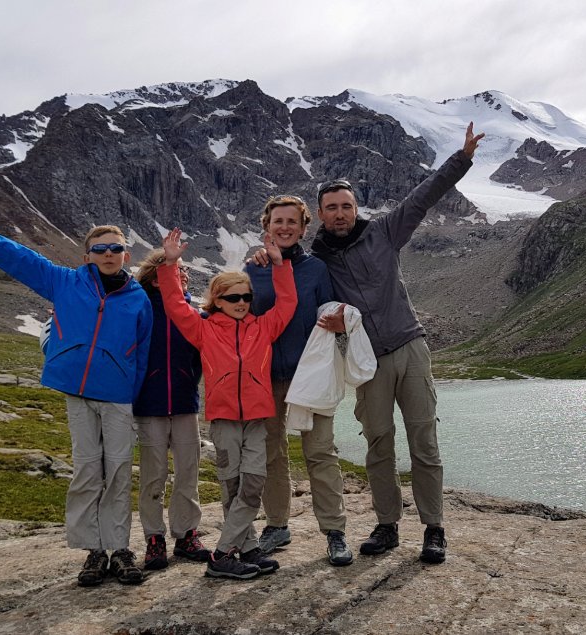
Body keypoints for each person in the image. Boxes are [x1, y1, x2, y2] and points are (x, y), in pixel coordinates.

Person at [0, 198, 152, 586]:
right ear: (88, 256)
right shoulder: (64, 281)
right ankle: (94, 551)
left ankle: (121, 550)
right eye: (100, 249)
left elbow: (143, 350)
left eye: (116, 248)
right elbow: (16, 257)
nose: (109, 254)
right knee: (87, 468)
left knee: (116, 470)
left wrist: (134, 394)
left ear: (127, 254)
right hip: (78, 391)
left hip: (117, 396)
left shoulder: (138, 299)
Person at [311, 123, 483, 564]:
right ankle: (387, 524)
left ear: (356, 208)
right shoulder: (316, 261)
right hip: (367, 362)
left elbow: (425, 195)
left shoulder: (384, 231)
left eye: (346, 206)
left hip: (409, 347)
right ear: (320, 214)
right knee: (379, 443)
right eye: (331, 208)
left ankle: (434, 528)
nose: (340, 214)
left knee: (424, 441)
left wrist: (461, 158)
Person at [157, 228, 296, 579]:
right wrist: (170, 264)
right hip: (224, 421)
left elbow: (288, 304)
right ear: (217, 299)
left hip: (257, 420)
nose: (241, 302)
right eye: (233, 297)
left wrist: (280, 265)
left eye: (246, 297)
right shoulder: (203, 329)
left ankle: (224, 554)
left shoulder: (263, 328)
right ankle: (243, 548)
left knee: (252, 484)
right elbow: (174, 304)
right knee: (233, 487)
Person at [244, 195, 353, 566]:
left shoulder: (316, 269)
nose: (285, 227)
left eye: (293, 222)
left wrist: (340, 325)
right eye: (278, 221)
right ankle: (278, 525)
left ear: (304, 228)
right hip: (267, 376)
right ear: (267, 226)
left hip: (311, 375)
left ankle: (334, 531)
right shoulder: (253, 270)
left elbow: (328, 313)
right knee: (272, 453)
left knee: (320, 451)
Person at [132, 249, 211, 569]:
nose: (184, 276)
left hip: (183, 403)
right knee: (154, 475)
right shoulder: (140, 309)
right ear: (155, 276)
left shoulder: (193, 313)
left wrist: (189, 381)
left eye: (185, 272)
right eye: (178, 271)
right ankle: (154, 538)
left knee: (188, 472)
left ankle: (186, 534)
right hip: (149, 405)